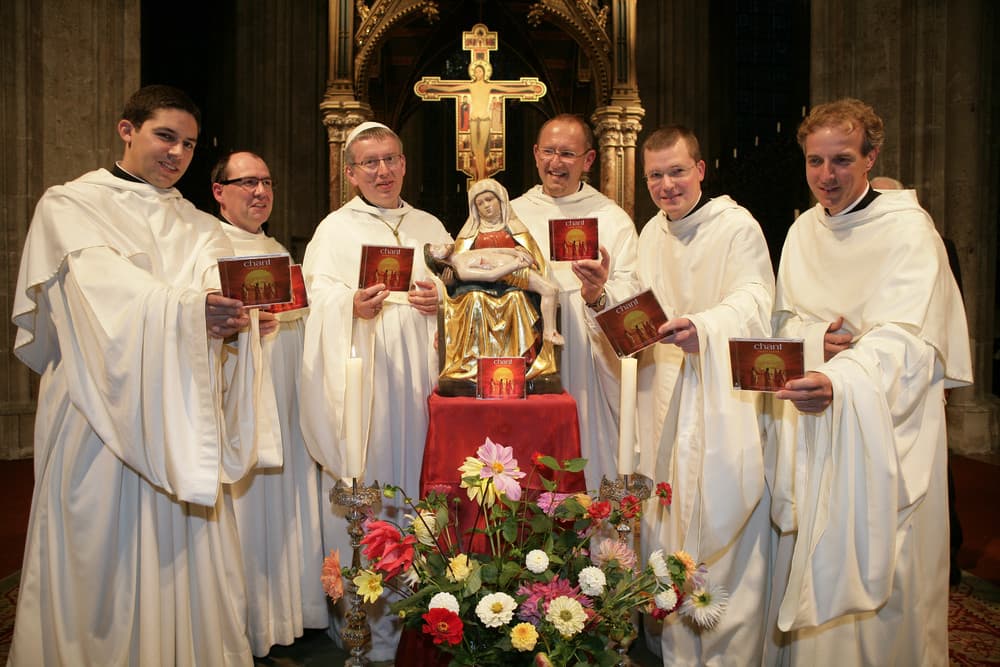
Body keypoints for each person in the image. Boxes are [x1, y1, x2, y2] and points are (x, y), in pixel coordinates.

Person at [9, 85, 276, 666]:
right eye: (165, 137)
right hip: (95, 408)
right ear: (126, 130)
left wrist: (237, 322)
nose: (177, 153)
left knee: (184, 549)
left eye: (189, 144)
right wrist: (190, 312)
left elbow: (213, 292)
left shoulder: (200, 226)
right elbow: (100, 293)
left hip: (182, 411)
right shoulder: (71, 206)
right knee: (97, 547)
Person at [765, 98, 972, 665]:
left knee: (893, 573)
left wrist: (843, 380)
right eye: (815, 161)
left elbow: (912, 340)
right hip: (815, 423)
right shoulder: (802, 231)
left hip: (887, 426)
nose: (826, 176)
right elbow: (785, 322)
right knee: (813, 546)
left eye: (842, 160)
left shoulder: (909, 233)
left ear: (871, 157)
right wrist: (814, 342)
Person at [298, 121, 452, 660]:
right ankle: (367, 624)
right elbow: (316, 296)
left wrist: (441, 302)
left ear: (404, 164)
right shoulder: (334, 230)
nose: (382, 171)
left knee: (425, 484)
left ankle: (428, 617)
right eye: (370, 163)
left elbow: (459, 290)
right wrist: (350, 306)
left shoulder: (430, 225)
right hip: (367, 383)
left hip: (424, 378)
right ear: (350, 173)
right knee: (375, 482)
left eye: (390, 160)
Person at [633, 126, 775, 666]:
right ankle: (674, 644)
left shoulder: (736, 227)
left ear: (700, 169)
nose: (667, 185)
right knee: (669, 513)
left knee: (717, 517)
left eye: (676, 171)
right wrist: (603, 294)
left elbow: (756, 298)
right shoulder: (651, 232)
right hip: (664, 394)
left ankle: (723, 652)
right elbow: (641, 302)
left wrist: (705, 328)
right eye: (655, 175)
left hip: (718, 399)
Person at [211, 150, 327, 656]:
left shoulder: (277, 251)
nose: (260, 192)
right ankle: (249, 621)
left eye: (266, 182)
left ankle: (292, 611)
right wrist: (238, 333)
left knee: (289, 501)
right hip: (238, 402)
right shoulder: (206, 248)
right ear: (219, 191)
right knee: (247, 506)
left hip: (287, 399)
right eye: (247, 182)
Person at [510, 114, 641, 488]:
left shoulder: (612, 219)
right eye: (549, 151)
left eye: (567, 153)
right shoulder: (512, 216)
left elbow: (633, 293)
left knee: (588, 451)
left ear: (589, 159)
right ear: (536, 154)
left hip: (590, 361)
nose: (556, 162)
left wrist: (599, 294)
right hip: (527, 352)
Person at [424, 240, 564, 345]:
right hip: (514, 272)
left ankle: (550, 331)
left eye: (436, 245)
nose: (441, 245)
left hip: (518, 261)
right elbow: (491, 275)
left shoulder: (463, 255)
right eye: (436, 249)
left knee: (552, 290)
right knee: (550, 291)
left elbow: (494, 250)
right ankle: (549, 332)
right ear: (438, 261)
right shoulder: (461, 270)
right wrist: (515, 265)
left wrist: (515, 253)